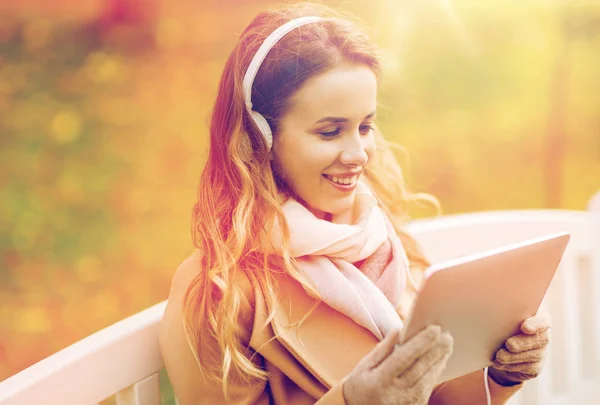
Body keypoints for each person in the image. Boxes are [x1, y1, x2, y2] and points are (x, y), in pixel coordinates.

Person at [158, 3, 551, 404]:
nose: (359, 154)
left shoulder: (379, 235)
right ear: (260, 139)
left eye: (365, 126)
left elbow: (434, 395)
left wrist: (499, 375)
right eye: (330, 132)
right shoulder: (220, 289)